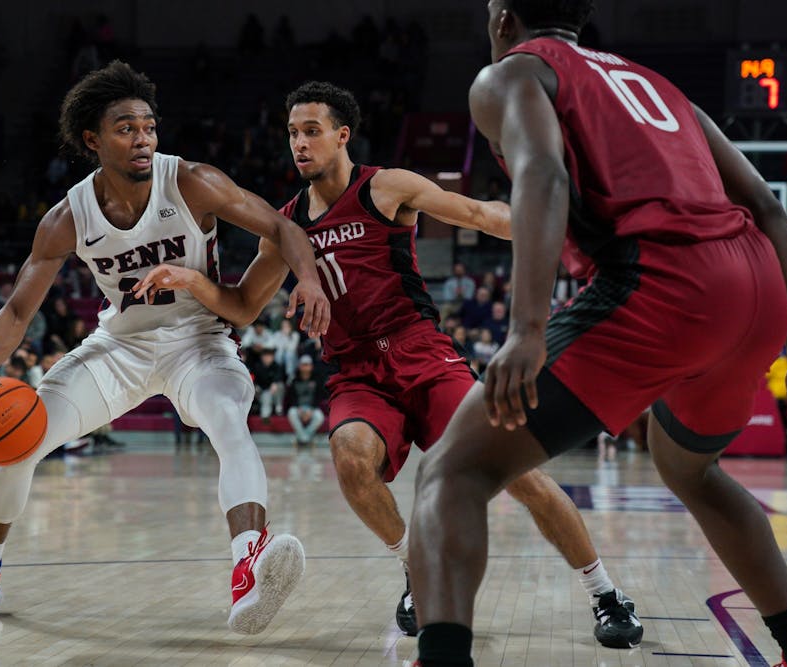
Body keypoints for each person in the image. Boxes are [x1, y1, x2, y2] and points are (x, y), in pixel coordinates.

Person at [136, 80, 641, 646]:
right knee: (351, 461)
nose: (299, 144)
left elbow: (478, 213)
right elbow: (244, 307)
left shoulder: (385, 188)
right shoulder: (286, 226)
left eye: (311, 132)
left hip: (421, 353)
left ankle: (604, 591)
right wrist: (192, 281)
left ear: (342, 135)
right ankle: (416, 567)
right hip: (355, 372)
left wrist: (560, 226)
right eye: (292, 134)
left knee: (520, 476)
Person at [408, 2, 787, 666]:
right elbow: (764, 202)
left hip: (663, 282)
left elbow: (543, 175)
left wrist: (527, 327)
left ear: (502, 17)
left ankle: (442, 657)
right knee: (691, 468)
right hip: (756, 286)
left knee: (454, 470)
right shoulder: (658, 86)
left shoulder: (510, 75)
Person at [0, 60, 331, 636]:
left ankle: (249, 562)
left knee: (228, 421)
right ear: (93, 139)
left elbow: (283, 229)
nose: (143, 139)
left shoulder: (191, 181)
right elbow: (16, 311)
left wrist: (307, 279)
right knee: (19, 441)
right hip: (120, 345)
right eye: (126, 128)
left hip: (200, 340)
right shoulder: (68, 217)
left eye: (149, 127)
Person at [286, 355, 326, 449]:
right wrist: (299, 409)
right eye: (303, 365)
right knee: (291, 413)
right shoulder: (294, 380)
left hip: (312, 408)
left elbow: (319, 397)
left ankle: (302, 437)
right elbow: (291, 398)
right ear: (300, 366)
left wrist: (311, 410)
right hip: (298, 407)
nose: (305, 367)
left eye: (307, 365)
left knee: (319, 417)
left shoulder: (317, 379)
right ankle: (306, 438)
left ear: (311, 366)